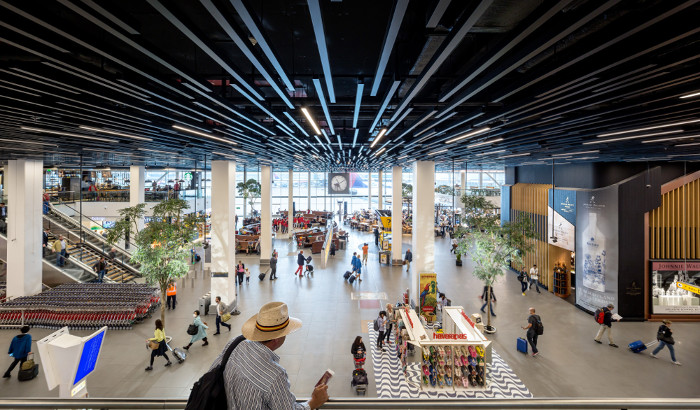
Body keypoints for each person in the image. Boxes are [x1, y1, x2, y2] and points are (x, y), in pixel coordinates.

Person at [210, 301, 329, 410]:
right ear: (277, 339)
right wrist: (313, 402)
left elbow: (212, 372)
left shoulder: (235, 344)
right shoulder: (275, 375)